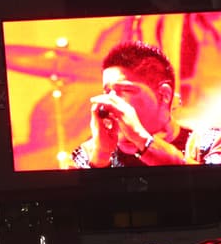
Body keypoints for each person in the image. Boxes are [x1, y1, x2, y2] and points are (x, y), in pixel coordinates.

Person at [71, 42, 221, 167]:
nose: (110, 102)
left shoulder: (210, 141)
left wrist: (143, 140)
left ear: (164, 95)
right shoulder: (88, 153)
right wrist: (101, 156)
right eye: (107, 91)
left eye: (125, 90)